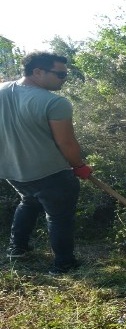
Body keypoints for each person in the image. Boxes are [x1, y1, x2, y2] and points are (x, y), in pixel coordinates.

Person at [0, 51, 92, 274]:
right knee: (60, 217)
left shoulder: (2, 90)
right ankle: (63, 264)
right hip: (51, 173)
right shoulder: (55, 103)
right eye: (60, 75)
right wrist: (79, 167)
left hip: (11, 171)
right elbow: (66, 143)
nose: (64, 79)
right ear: (38, 72)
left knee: (28, 201)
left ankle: (17, 249)